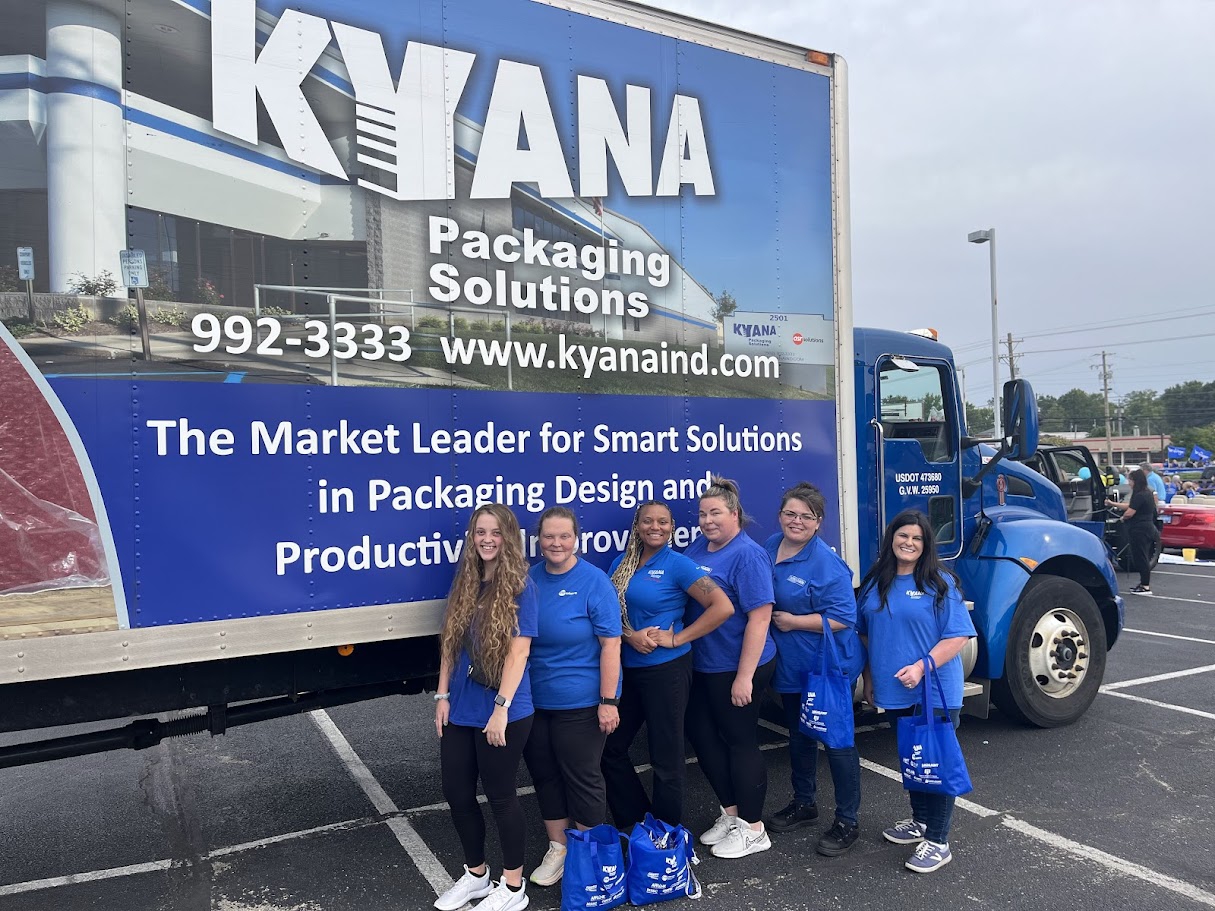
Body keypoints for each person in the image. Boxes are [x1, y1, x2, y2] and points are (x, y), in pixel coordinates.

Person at [601, 500, 733, 829]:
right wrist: (630, 636)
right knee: (610, 748)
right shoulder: (621, 564)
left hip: (666, 671)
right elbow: (608, 615)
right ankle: (637, 821)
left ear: (671, 527)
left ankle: (665, 833)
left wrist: (678, 638)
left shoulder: (679, 564)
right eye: (648, 521)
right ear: (637, 527)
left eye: (663, 521)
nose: (655, 527)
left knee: (666, 756)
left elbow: (722, 606)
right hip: (627, 669)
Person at [857, 510, 976, 874]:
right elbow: (865, 633)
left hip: (934, 689)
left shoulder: (939, 582)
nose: (908, 543)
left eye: (916, 538)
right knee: (914, 757)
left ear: (926, 545)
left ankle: (938, 841)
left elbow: (958, 635)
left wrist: (922, 667)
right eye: (902, 536)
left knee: (935, 763)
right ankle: (921, 821)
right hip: (895, 690)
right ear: (891, 538)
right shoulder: (876, 580)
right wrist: (870, 679)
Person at [433, 505, 538, 911]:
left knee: (500, 796)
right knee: (457, 793)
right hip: (460, 708)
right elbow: (450, 645)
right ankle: (477, 876)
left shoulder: (521, 587)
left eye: (495, 532)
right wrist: (442, 697)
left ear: (508, 537)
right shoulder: (465, 581)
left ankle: (513, 888)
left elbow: (519, 653)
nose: (487, 539)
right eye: (480, 532)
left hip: (504, 709)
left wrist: (501, 709)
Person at [523, 507, 622, 887]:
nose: (556, 543)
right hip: (535, 701)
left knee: (583, 779)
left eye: (564, 536)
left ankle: (592, 859)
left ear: (576, 539)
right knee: (545, 775)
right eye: (549, 536)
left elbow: (611, 645)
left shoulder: (594, 581)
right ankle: (559, 850)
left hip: (581, 702)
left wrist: (608, 702)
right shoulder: (530, 579)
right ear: (539, 540)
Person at [764, 482, 864, 856]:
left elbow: (843, 617)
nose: (797, 521)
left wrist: (794, 621)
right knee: (799, 735)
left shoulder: (826, 563)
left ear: (819, 522)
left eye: (806, 516)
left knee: (836, 743)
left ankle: (848, 821)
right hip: (792, 666)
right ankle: (804, 803)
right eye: (790, 513)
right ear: (780, 516)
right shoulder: (771, 545)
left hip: (826, 668)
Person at [683, 476, 778, 859]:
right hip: (705, 664)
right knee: (703, 737)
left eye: (716, 513)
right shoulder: (699, 547)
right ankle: (732, 813)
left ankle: (754, 830)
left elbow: (760, 618)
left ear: (735, 514)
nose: (707, 520)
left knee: (740, 743)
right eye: (703, 514)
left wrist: (744, 677)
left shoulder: (747, 554)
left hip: (739, 665)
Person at [1107, 469, 1160, 594]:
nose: (1129, 483)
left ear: (1136, 481)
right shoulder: (1146, 493)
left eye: (1130, 480)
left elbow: (1130, 512)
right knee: (1142, 556)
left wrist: (1122, 518)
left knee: (1141, 557)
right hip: (1147, 528)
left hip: (1140, 529)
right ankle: (1143, 583)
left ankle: (1145, 586)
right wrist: (1112, 503)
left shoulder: (1140, 494)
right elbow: (1131, 506)